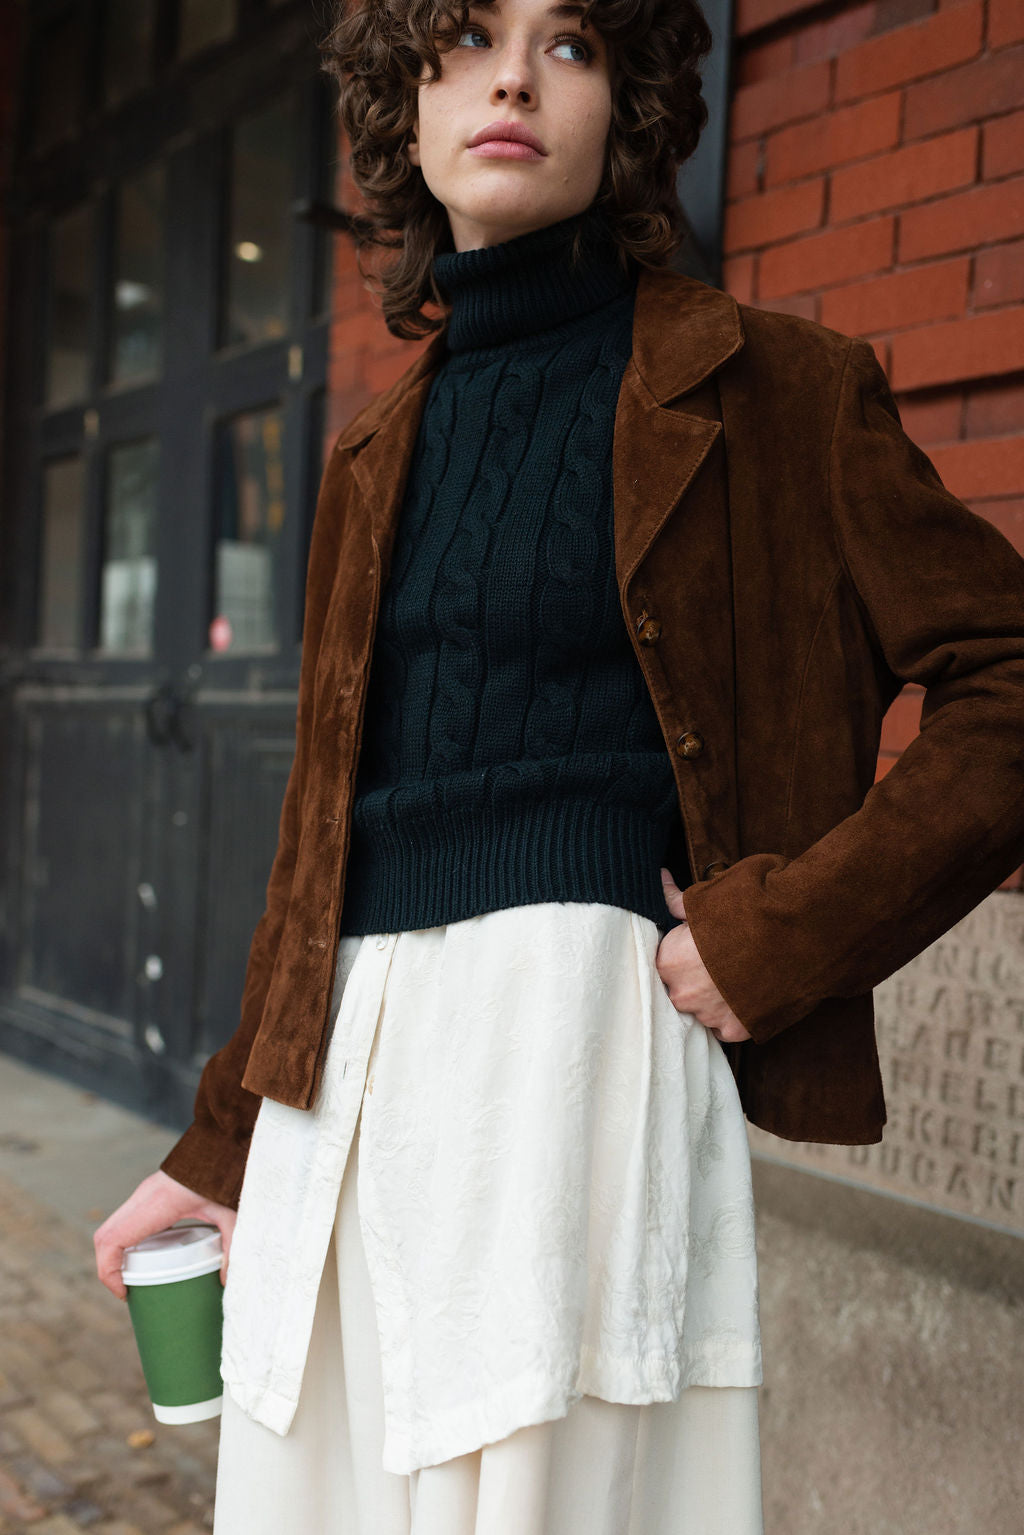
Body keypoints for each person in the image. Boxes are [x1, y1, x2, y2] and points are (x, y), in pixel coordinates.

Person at [94, 0, 1024, 1529]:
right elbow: (323, 844)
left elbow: (1008, 681)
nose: (515, 75)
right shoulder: (369, 456)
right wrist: (223, 1146)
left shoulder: (779, 390)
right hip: (346, 1079)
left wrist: (777, 937)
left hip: (574, 1059)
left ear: (630, 107)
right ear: (405, 106)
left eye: (572, 43)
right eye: (463, 37)